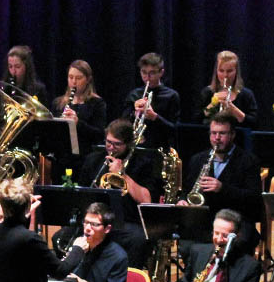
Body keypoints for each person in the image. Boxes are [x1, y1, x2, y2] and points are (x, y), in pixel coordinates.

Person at [73, 118, 158, 266]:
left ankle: (126, 280)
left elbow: (146, 199)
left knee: (139, 239)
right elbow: (82, 192)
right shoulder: (93, 160)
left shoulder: (143, 163)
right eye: (108, 142)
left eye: (117, 144)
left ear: (129, 144)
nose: (111, 147)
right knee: (60, 238)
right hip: (95, 219)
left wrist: (122, 175)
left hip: (127, 222)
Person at [178, 111, 263, 235]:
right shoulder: (198, 159)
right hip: (205, 221)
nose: (217, 138)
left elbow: (254, 199)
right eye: (213, 133)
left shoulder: (248, 161)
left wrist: (222, 188)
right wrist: (183, 200)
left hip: (236, 222)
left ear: (233, 134)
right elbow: (186, 190)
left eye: (222, 133)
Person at [52, 59, 107, 175]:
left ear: (88, 79)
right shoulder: (58, 103)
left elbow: (99, 134)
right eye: (70, 77)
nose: (74, 82)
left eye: (78, 78)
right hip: (61, 158)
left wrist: (78, 123)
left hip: (85, 160)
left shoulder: (97, 103)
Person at [120, 52, 182, 150]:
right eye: (143, 72)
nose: (147, 77)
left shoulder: (171, 96)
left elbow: (175, 129)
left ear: (161, 72)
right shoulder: (134, 95)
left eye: (152, 73)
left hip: (160, 147)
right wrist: (134, 113)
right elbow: (122, 126)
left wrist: (155, 117)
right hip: (136, 148)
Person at [196, 50, 258, 128]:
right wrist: (212, 104)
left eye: (229, 71)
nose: (225, 75)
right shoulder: (207, 92)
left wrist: (232, 108)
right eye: (221, 71)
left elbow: (253, 123)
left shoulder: (246, 95)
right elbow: (196, 120)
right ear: (216, 71)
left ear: (236, 72)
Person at [0, 44, 48, 110]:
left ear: (27, 66)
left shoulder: (38, 89)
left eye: (17, 67)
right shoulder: (3, 88)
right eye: (10, 66)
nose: (13, 71)